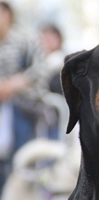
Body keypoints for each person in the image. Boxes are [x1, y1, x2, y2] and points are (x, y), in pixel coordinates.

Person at [0, 1, 45, 195]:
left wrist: (15, 83)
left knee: (20, 160)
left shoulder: (25, 39)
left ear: (7, 14)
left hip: (22, 107)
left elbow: (39, 68)